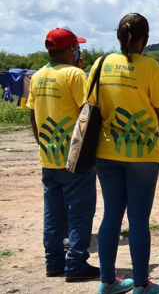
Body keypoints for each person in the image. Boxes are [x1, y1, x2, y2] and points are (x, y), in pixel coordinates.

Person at [88, 13, 159, 294]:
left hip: (105, 151)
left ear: (118, 36)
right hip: (143, 154)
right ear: (145, 39)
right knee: (138, 219)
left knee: (111, 214)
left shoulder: (101, 64)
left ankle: (108, 282)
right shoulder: (150, 66)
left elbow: (91, 104)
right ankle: (143, 285)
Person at [27, 26, 101, 283]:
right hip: (74, 158)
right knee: (80, 210)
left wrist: (42, 143)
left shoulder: (37, 76)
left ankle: (54, 263)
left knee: (53, 212)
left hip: (48, 156)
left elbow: (32, 114)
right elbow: (87, 114)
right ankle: (77, 264)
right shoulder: (75, 75)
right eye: (76, 47)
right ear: (71, 50)